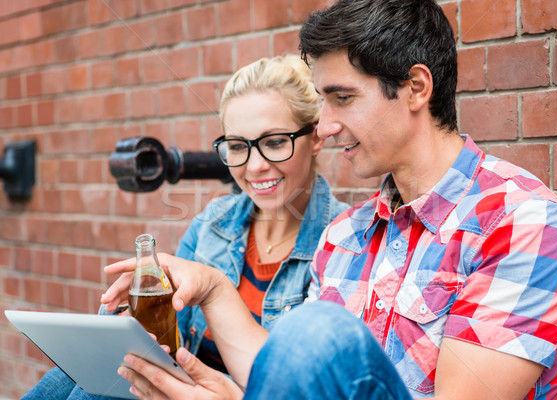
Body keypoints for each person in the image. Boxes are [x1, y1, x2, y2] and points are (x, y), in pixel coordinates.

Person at [96, 0, 557, 399]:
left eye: (343, 99)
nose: (327, 126)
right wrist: (213, 291)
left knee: (316, 333)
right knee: (105, 374)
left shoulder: (523, 221)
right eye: (322, 101)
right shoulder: (347, 233)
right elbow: (293, 380)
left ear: (415, 87)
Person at [21, 54, 348, 399]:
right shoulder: (214, 223)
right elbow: (168, 330)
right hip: (178, 384)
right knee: (78, 376)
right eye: (237, 147)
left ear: (316, 138)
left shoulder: (342, 243)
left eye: (275, 142)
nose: (255, 166)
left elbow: (303, 385)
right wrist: (129, 324)